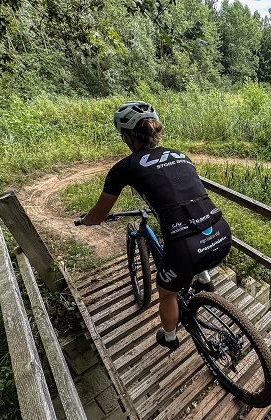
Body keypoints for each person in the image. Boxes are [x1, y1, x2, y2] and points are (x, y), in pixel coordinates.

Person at [76, 101, 232, 351]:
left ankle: (169, 338)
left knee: (167, 292)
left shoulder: (124, 167)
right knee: (195, 239)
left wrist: (85, 220)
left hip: (185, 248)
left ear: (126, 136)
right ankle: (204, 279)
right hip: (221, 232)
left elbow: (97, 215)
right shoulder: (181, 155)